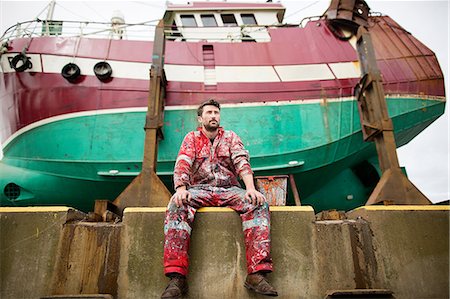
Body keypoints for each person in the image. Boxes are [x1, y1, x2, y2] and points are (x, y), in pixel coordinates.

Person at [161, 99, 278, 298]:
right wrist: (181, 189)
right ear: (200, 118)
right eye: (209, 113)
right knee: (177, 204)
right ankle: (177, 279)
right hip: (199, 190)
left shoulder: (231, 137)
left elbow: (242, 161)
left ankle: (257, 274)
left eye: (216, 112)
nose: (213, 116)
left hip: (229, 189)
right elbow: (183, 162)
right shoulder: (191, 138)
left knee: (258, 203)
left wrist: (250, 188)